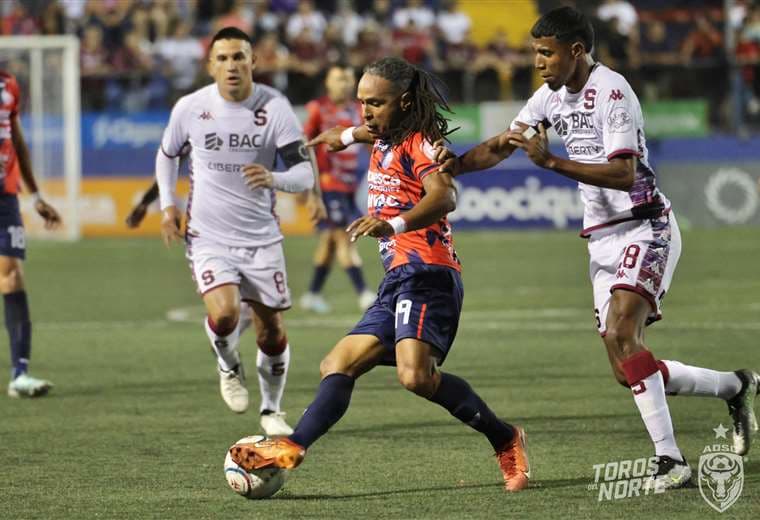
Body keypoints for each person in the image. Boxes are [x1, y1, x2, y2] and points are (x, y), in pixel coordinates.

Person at [432, 7, 759, 490]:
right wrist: (455, 167)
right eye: (535, 53)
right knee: (629, 370)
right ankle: (736, 385)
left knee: (626, 335)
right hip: (601, 238)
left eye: (547, 52)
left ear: (576, 51)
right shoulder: (548, 97)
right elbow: (504, 144)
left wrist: (553, 163)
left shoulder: (612, 91)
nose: (539, 62)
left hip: (645, 225)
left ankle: (670, 461)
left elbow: (625, 173)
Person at [228, 57, 531, 493]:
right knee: (337, 363)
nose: (365, 111)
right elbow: (369, 131)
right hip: (398, 279)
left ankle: (506, 438)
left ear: (403, 102)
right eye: (361, 102)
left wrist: (395, 224)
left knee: (415, 377)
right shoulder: (386, 133)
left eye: (375, 103)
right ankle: (292, 446)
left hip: (428, 272)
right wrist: (345, 136)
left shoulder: (422, 142)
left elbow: (445, 197)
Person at [155, 27, 317, 437]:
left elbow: (303, 172)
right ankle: (228, 365)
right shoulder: (190, 107)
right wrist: (167, 206)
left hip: (261, 238)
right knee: (225, 313)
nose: (231, 65)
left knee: (272, 330)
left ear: (253, 62)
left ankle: (271, 409)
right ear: (210, 65)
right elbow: (167, 155)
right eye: (223, 58)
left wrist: (274, 178)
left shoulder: (274, 107)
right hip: (208, 236)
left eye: (239, 57)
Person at [0, 70, 62, 397]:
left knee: (12, 277)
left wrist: (36, 196)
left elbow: (16, 141)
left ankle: (19, 374)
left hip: (5, 197)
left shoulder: (9, 84)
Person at [300, 64, 375, 314]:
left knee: (330, 242)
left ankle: (312, 294)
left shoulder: (359, 110)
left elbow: (370, 144)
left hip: (350, 186)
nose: (343, 83)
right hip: (328, 185)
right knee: (344, 237)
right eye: (338, 79)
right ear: (328, 83)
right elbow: (305, 146)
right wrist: (309, 186)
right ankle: (364, 293)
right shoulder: (317, 109)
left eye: (347, 78)